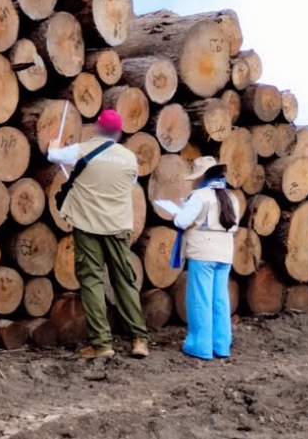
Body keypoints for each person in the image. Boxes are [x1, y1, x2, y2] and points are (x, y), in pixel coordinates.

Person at [47, 109, 150, 359]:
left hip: (88, 226)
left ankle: (102, 344)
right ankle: (139, 340)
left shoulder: (81, 150)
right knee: (124, 280)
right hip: (118, 228)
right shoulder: (129, 158)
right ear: (119, 132)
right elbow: (131, 182)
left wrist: (54, 145)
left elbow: (52, 156)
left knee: (92, 281)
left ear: (96, 128)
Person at [166, 156, 240, 361]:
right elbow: (233, 226)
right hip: (225, 252)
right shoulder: (232, 198)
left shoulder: (199, 196)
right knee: (220, 299)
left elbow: (182, 221)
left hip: (202, 252)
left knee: (200, 299)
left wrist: (176, 214)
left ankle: (200, 345)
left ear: (203, 177)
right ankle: (221, 344)